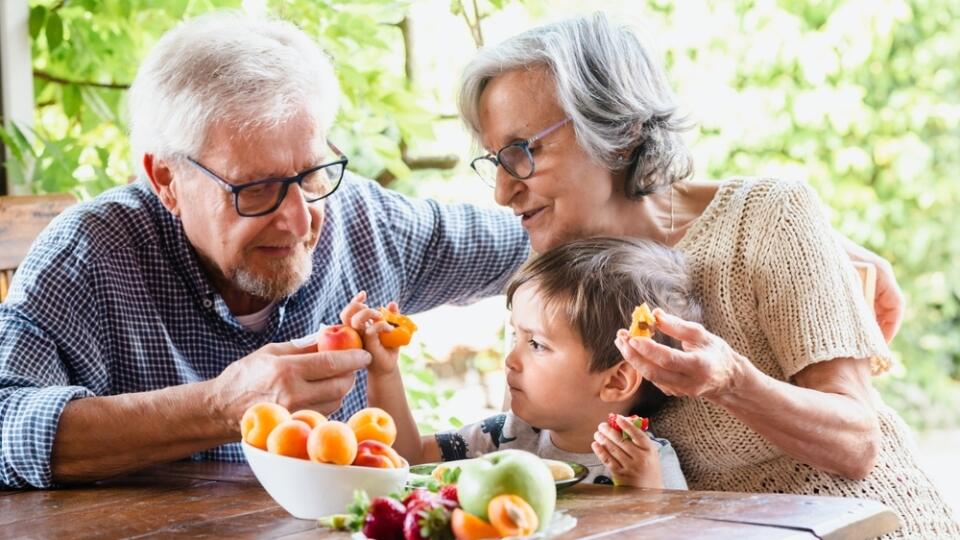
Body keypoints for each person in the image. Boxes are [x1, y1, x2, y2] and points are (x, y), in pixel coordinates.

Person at [457, 12, 958, 537]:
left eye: (523, 152)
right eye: (495, 159)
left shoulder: (766, 218)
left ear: (620, 131)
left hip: (866, 523)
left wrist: (730, 382)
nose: (502, 190)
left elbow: (856, 444)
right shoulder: (556, 274)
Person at [0, 13, 529, 490]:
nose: (300, 220)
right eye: (256, 188)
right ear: (166, 179)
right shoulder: (90, 253)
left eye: (313, 173)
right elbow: (5, 426)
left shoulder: (366, 222)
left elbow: (536, 240)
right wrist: (221, 406)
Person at [342, 237, 695, 489]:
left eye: (536, 344)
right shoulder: (507, 436)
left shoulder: (648, 462)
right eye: (515, 337)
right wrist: (384, 371)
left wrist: (648, 493)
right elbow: (408, 459)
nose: (511, 360)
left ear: (616, 381)